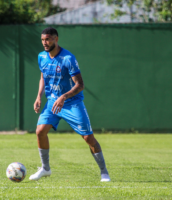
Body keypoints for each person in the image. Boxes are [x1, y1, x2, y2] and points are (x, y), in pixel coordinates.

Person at [29, 27, 110, 182]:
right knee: (40, 131)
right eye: (43, 40)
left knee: (88, 138)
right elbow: (43, 76)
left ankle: (104, 172)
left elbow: (80, 85)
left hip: (72, 103)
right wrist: (39, 96)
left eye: (48, 39)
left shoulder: (68, 59)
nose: (45, 43)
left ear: (56, 39)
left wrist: (64, 97)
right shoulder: (41, 56)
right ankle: (45, 169)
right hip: (53, 102)